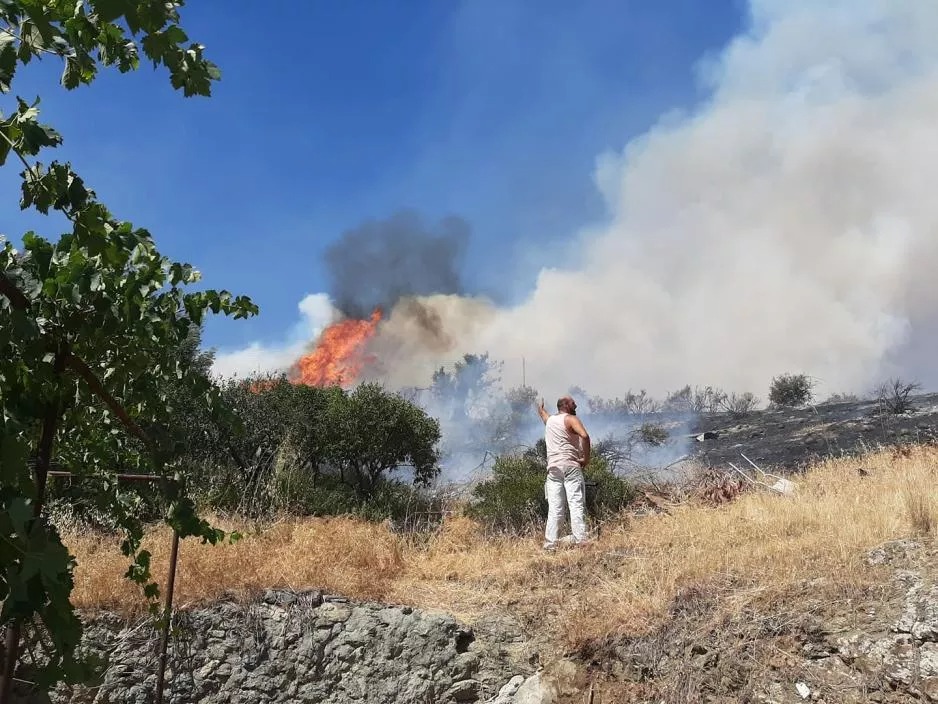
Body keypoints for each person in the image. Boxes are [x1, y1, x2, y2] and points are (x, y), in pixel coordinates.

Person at [536, 395, 591, 550]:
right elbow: (585, 436)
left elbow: (544, 417)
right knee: (575, 504)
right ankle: (581, 541)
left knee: (555, 509)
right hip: (570, 467)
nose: (576, 405)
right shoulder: (570, 419)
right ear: (566, 405)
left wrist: (540, 408)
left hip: (553, 470)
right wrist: (586, 459)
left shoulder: (551, 421)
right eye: (573, 403)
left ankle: (550, 546)